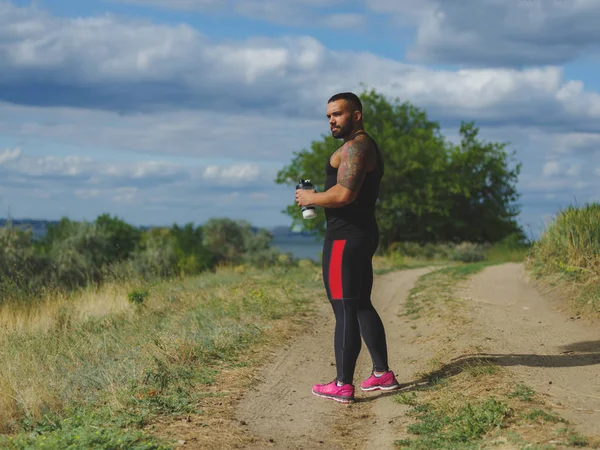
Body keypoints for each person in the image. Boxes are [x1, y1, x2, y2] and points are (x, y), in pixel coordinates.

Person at [295, 92, 401, 404]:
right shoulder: (361, 145)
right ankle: (382, 373)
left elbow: (344, 195)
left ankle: (342, 383)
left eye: (338, 114)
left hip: (344, 239)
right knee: (361, 303)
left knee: (344, 308)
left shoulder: (356, 146)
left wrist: (311, 198)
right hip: (361, 233)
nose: (331, 121)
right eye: (329, 116)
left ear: (356, 115)